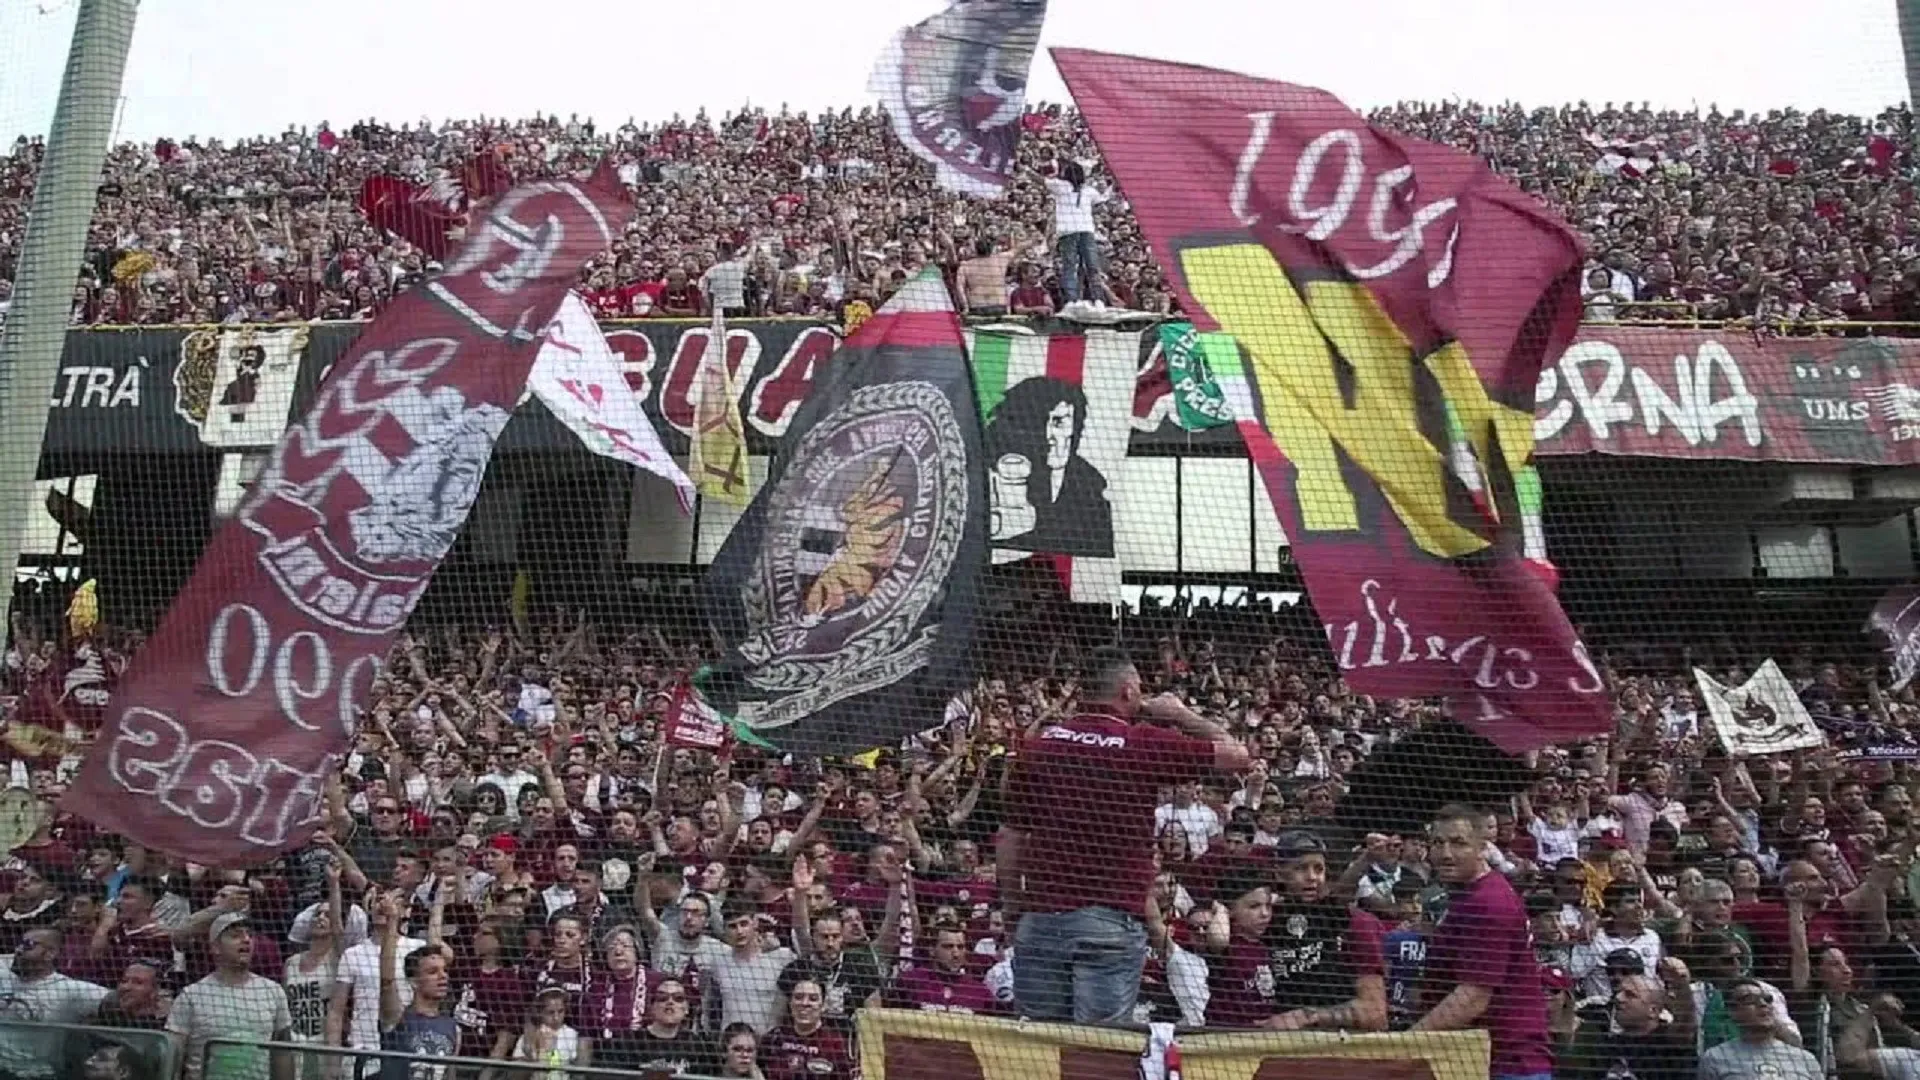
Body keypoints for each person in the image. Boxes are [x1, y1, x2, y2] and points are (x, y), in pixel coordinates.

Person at [1003, 647, 1248, 1024]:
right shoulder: (1143, 742)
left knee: (1040, 1046)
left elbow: (1010, 836)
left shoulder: (1038, 747)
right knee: (1098, 1051)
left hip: (1042, 920)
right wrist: (1179, 713)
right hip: (1110, 921)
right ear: (1129, 691)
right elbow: (1238, 755)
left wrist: (1013, 908)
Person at [1413, 804, 1551, 1080]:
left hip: (1508, 1063)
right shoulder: (1469, 895)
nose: (1446, 854)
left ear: (1482, 847)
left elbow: (1473, 997)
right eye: (1438, 843)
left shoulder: (1487, 902)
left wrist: (1408, 1044)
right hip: (1476, 1058)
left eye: (1458, 843)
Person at [1261, 829, 1388, 1032]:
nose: (1312, 877)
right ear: (1279, 873)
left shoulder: (1348, 922)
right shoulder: (1267, 919)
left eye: (1319, 869)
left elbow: (1376, 1015)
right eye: (1301, 868)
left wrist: (1308, 1017)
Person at [167, 913, 294, 1080]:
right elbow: (172, 1058)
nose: (246, 939)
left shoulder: (273, 991)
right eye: (235, 935)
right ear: (215, 947)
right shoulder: (191, 996)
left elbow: (282, 1054)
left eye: (249, 934)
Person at [0, 929, 111, 1080]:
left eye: (28, 945)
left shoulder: (69, 989)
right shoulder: (3, 971)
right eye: (19, 944)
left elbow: (114, 999)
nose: (18, 950)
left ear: (50, 954)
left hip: (33, 1073)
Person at [1557, 961, 1696, 1080]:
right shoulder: (1605, 1047)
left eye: (1630, 995)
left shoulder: (1668, 1043)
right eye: (1619, 992)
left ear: (1653, 1011)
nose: (1618, 998)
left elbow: (1685, 1028)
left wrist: (1682, 983)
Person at [375, 891, 458, 1080]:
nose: (442, 977)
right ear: (413, 981)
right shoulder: (397, 1017)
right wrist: (392, 922)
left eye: (444, 971)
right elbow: (386, 980)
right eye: (432, 972)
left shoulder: (452, 1027)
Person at [1696, 978, 1823, 1079]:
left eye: (1767, 999)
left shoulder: (1805, 1059)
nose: (1762, 1004)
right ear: (1732, 1012)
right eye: (1750, 999)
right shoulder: (1715, 1058)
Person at [597, 974, 713, 1076]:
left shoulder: (700, 1048)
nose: (670, 1002)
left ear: (687, 1008)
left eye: (678, 998)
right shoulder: (626, 1044)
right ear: (652, 1006)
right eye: (662, 998)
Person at [1042, 160, 1110, 305]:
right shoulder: (1066, 187)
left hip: (1078, 232)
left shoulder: (1080, 189)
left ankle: (1087, 300)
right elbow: (1102, 199)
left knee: (1079, 267)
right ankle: (1083, 300)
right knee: (1085, 266)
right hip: (1076, 232)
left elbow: (1041, 180)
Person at [761, 978, 854, 1080]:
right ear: (790, 1003)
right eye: (798, 997)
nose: (805, 1003)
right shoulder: (773, 1038)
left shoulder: (836, 1045)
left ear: (823, 1005)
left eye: (813, 999)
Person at [510, 987, 587, 1080]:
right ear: (540, 1012)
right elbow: (515, 1076)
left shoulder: (572, 1035)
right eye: (551, 1012)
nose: (556, 1017)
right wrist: (535, 1054)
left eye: (560, 1011)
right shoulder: (529, 1036)